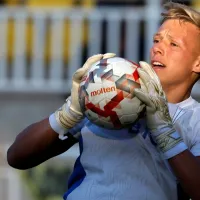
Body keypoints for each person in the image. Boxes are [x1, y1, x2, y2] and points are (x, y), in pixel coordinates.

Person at [7, 2, 200, 200]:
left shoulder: (196, 119)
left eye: (173, 44)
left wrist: (165, 133)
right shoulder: (108, 97)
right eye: (156, 40)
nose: (158, 48)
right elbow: (16, 157)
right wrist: (68, 114)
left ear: (198, 63)